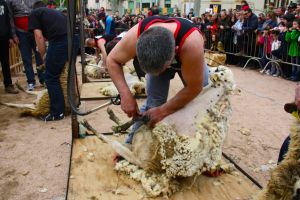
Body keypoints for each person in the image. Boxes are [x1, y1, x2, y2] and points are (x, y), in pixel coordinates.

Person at [106, 16, 209, 144]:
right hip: (166, 54)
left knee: (203, 99)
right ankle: (131, 144)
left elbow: (194, 88)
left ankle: (200, 144)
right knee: (153, 104)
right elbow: (112, 60)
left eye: (162, 69)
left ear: (175, 52)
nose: (159, 74)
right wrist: (125, 94)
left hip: (187, 54)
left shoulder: (191, 44)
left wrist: (163, 111)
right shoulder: (135, 35)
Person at [28, 1, 68, 121]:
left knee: (50, 77)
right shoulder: (54, 12)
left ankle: (57, 113)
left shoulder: (34, 14)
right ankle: (67, 105)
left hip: (60, 41)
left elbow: (39, 37)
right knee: (62, 73)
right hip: (72, 39)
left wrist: (44, 56)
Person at [7, 0, 45, 91]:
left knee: (39, 55)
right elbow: (10, 17)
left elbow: (40, 11)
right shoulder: (10, 1)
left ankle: (43, 79)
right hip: (21, 33)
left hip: (35, 30)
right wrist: (14, 35)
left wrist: (42, 30)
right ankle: (31, 81)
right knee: (26, 58)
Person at [0, 0, 18, 94]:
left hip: (3, 37)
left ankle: (8, 85)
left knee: (5, 62)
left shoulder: (3, 3)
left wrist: (10, 37)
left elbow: (8, 20)